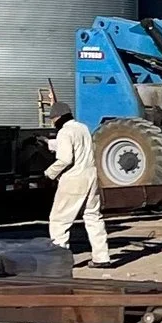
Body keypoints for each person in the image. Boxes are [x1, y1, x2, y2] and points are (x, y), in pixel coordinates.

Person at [44, 110, 112, 267]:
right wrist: (50, 143)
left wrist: (49, 173)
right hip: (91, 176)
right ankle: (102, 258)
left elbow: (65, 158)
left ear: (58, 117)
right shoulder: (83, 127)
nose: (52, 122)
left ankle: (60, 261)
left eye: (53, 119)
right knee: (93, 217)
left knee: (59, 221)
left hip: (74, 179)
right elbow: (78, 145)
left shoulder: (64, 132)